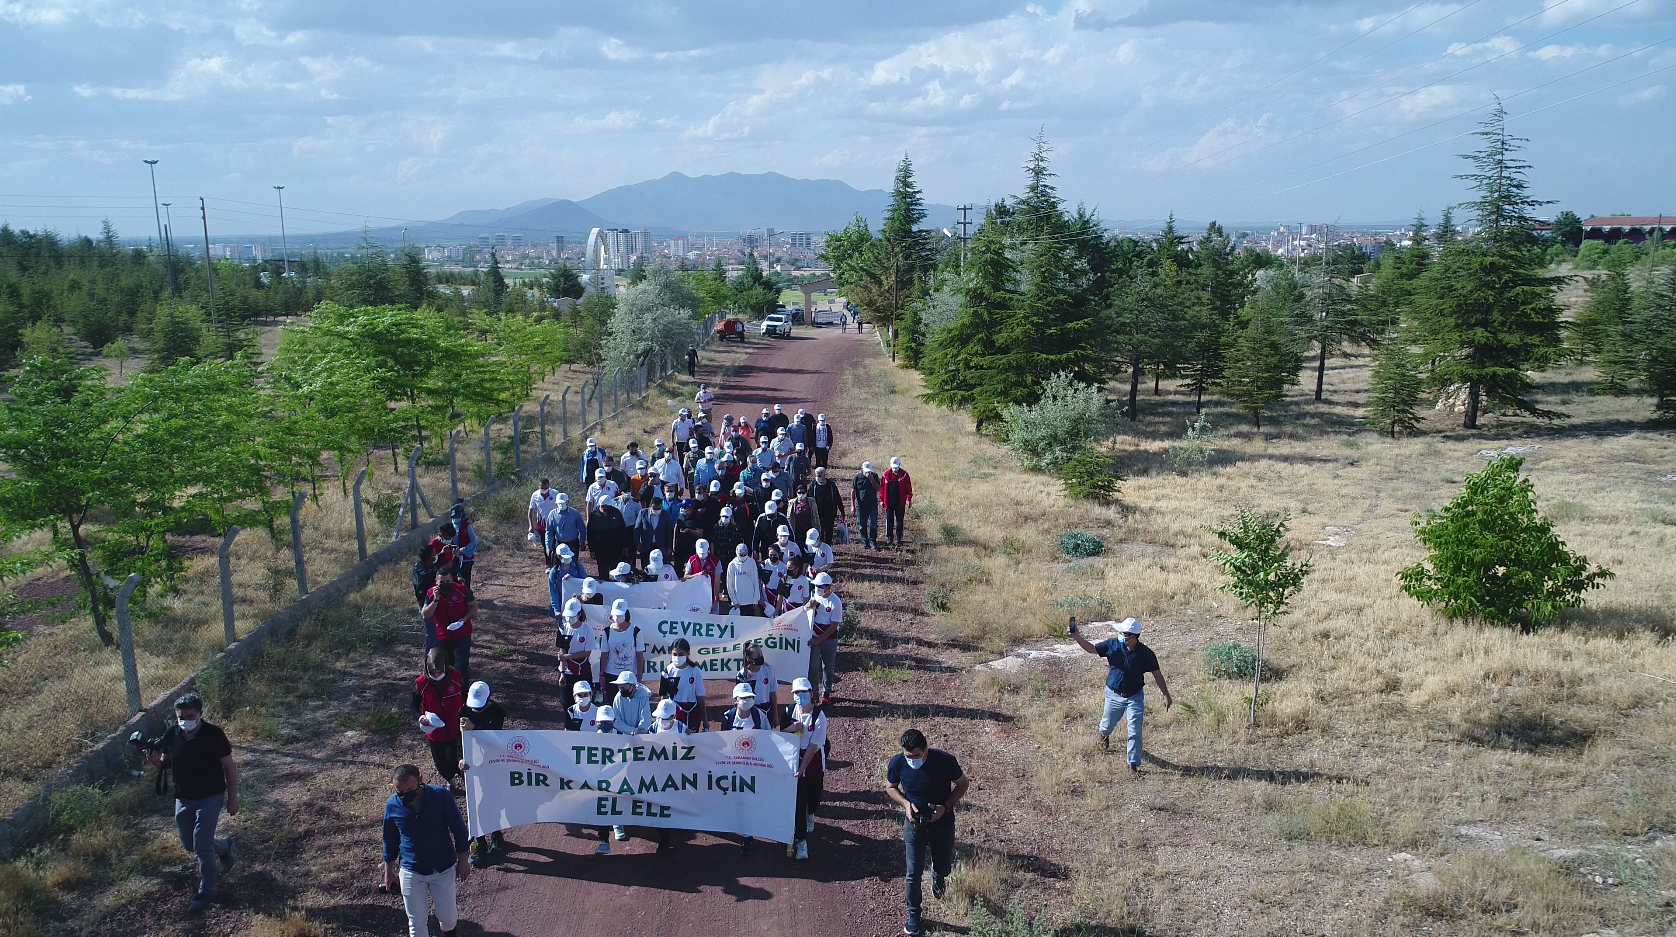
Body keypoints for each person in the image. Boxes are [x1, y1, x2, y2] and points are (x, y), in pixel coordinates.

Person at [147, 693, 237, 912]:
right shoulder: (172, 734)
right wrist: (155, 762)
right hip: (184, 797)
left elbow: (229, 767)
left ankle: (208, 890)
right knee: (190, 844)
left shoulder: (214, 734)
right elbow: (167, 763)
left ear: (200, 714)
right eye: (181, 716)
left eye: (190, 715)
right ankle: (223, 846)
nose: (185, 719)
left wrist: (233, 797)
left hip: (211, 796)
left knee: (201, 844)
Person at [886, 729, 969, 937]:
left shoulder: (945, 761)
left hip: (942, 823)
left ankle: (938, 875)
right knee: (913, 872)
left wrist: (945, 807)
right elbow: (890, 787)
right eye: (908, 756)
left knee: (944, 865)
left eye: (916, 755)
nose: (912, 760)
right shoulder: (898, 763)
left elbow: (962, 784)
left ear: (925, 749)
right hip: (914, 825)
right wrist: (905, 804)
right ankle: (914, 914)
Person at [1071, 616, 1172, 776]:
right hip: (1113, 695)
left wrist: (1166, 695)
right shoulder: (1112, 645)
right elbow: (1091, 649)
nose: (1120, 634)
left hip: (1135, 697)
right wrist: (1076, 636)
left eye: (1123, 633)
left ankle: (1132, 765)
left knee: (1135, 731)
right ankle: (1104, 735)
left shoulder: (1145, 653)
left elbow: (1157, 674)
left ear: (1132, 637)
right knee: (1107, 723)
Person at [383, 764, 470, 937]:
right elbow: (389, 839)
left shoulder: (440, 796)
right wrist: (388, 871)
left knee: (448, 919)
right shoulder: (392, 805)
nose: (405, 795)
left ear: (420, 780)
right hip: (411, 870)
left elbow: (459, 829)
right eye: (400, 791)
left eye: (410, 789)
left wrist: (464, 860)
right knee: (416, 924)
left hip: (443, 867)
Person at [456, 681, 506, 867]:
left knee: (492, 801)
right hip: (471, 767)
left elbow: (496, 739)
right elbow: (458, 738)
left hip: (492, 764)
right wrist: (459, 759)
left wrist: (474, 728)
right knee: (475, 804)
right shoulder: (463, 711)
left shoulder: (497, 712)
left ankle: (496, 835)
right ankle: (479, 843)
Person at [413, 648, 466, 790]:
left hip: (456, 730)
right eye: (433, 673)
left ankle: (468, 783)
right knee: (440, 762)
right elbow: (413, 705)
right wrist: (420, 717)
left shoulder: (457, 678)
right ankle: (450, 781)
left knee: (456, 759)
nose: (436, 675)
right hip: (435, 732)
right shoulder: (421, 684)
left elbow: (467, 699)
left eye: (439, 672)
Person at [786, 677, 827, 860]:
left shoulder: (819, 716)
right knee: (798, 803)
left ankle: (812, 813)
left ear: (811, 694)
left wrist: (803, 768)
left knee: (814, 797)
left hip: (813, 764)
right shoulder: (788, 711)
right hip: (795, 763)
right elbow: (780, 734)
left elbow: (813, 746)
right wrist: (791, 728)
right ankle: (801, 840)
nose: (799, 696)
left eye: (803, 693)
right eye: (796, 693)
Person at [421, 563, 476, 683]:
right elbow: (426, 615)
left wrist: (464, 619)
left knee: (461, 666)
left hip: (462, 633)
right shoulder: (430, 594)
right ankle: (448, 692)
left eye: (448, 581)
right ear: (436, 581)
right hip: (442, 636)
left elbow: (474, 606)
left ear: (452, 579)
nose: (446, 584)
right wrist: (435, 599)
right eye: (442, 582)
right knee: (444, 666)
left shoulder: (461, 590)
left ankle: (463, 693)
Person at [590, 705, 628, 853]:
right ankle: (604, 841)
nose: (604, 725)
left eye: (607, 722)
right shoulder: (589, 739)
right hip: (600, 779)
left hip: (618, 777)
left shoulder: (623, 737)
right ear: (596, 722)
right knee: (601, 806)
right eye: (601, 722)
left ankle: (618, 825)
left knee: (618, 801)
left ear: (613, 721)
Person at [806, 572, 842, 704]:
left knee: (828, 666)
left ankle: (827, 690)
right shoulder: (814, 597)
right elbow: (807, 613)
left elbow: (834, 626)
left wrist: (819, 640)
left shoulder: (835, 602)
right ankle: (814, 693)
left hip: (829, 639)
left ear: (828, 587)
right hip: (814, 637)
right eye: (816, 586)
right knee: (813, 666)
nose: (817, 589)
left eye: (820, 586)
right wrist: (808, 606)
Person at [661, 638, 708, 733]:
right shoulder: (667, 671)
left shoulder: (695, 671)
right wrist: (662, 716)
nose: (677, 657)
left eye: (681, 654)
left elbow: (700, 696)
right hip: (675, 711)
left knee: (692, 740)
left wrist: (705, 720)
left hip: (693, 712)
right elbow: (664, 696)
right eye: (675, 654)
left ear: (687, 653)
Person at [555, 598, 595, 703]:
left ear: (579, 614)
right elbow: (562, 652)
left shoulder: (587, 629)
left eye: (572, 616)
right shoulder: (563, 628)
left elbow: (587, 652)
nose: (569, 618)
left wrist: (568, 657)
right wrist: (562, 673)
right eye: (568, 615)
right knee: (567, 703)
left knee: (583, 702)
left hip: (583, 671)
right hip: (567, 671)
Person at [599, 600, 644, 684]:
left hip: (629, 676)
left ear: (626, 613)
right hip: (611, 674)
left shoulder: (636, 631)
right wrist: (601, 675)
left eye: (620, 614)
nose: (617, 617)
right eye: (616, 614)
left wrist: (639, 676)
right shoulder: (607, 632)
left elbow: (640, 657)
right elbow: (604, 655)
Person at [586, 496, 628, 578]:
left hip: (616, 548)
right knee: (603, 572)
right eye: (607, 506)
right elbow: (590, 534)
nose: (609, 507)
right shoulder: (594, 516)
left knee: (616, 572)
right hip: (601, 550)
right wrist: (592, 550)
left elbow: (623, 529)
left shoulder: (616, 512)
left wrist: (625, 545)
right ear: (602, 505)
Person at [738, 644, 777, 726]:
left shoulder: (769, 671)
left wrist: (775, 714)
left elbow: (773, 694)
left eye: (761, 654)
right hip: (751, 712)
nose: (760, 656)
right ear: (748, 658)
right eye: (757, 655)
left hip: (767, 711)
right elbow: (740, 699)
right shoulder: (742, 675)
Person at [880, 456, 913, 548]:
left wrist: (909, 499)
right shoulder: (885, 475)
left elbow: (908, 488)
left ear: (899, 465)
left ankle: (899, 538)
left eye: (897, 467)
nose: (895, 470)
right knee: (889, 521)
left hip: (900, 502)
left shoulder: (904, 475)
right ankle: (889, 538)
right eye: (894, 468)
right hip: (889, 502)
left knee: (899, 521)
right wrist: (882, 500)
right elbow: (882, 488)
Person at [634, 496, 674, 569]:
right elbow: (637, 529)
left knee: (662, 567)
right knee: (646, 567)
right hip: (646, 546)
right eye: (655, 508)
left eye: (659, 508)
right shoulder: (643, 513)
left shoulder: (665, 514)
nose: (657, 510)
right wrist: (638, 544)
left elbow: (669, 532)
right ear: (650, 506)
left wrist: (669, 547)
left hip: (661, 546)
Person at [547, 544, 586, 618]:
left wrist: (572, 580)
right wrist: (556, 610)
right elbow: (553, 592)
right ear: (559, 557)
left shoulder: (578, 566)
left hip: (578, 604)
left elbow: (585, 582)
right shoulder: (554, 572)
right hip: (562, 605)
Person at [544, 492, 586, 559]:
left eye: (562, 503)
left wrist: (582, 542)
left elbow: (582, 529)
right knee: (558, 565)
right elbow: (549, 531)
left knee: (573, 564)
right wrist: (548, 547)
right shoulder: (552, 514)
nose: (560, 505)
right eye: (559, 503)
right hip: (559, 543)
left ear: (567, 502)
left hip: (573, 543)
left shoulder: (575, 514)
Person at [809, 466, 844, 545]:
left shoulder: (831, 485)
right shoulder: (814, 485)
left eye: (819, 476)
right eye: (816, 476)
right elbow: (809, 498)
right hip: (817, 513)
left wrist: (842, 510)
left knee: (828, 532)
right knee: (819, 532)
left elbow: (837, 498)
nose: (817, 478)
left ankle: (828, 547)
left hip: (829, 513)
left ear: (824, 475)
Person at [725, 543, 763, 616]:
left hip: (750, 601)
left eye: (745, 555)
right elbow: (729, 585)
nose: (743, 557)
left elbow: (755, 581)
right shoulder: (732, 565)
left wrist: (755, 600)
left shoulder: (752, 562)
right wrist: (734, 601)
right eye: (741, 555)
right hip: (738, 602)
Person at [446, 503, 479, 587]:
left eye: (457, 517)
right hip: (454, 558)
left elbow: (474, 541)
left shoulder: (467, 526)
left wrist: (462, 550)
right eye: (454, 517)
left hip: (466, 558)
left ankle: (467, 597)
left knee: (465, 579)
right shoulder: (451, 526)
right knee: (454, 578)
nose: (455, 519)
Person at [684, 538, 722, 611]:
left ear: (708, 549)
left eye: (704, 553)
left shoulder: (716, 561)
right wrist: (697, 575)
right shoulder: (692, 560)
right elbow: (685, 576)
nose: (702, 555)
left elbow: (717, 583)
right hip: (695, 596)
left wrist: (716, 601)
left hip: (710, 596)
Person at [852, 461, 882, 550]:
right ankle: (865, 541)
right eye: (866, 471)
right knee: (862, 525)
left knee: (873, 523)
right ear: (861, 469)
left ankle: (873, 541)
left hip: (872, 504)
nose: (867, 473)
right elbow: (853, 491)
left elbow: (879, 489)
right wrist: (852, 505)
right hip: (861, 505)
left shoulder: (875, 476)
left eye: (869, 471)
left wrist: (871, 479)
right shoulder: (857, 477)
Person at [528, 478, 559, 545]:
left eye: (545, 489)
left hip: (554, 523)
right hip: (541, 524)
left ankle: (554, 554)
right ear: (539, 486)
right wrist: (531, 525)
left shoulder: (555, 493)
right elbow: (531, 510)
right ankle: (547, 555)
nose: (544, 491)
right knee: (545, 544)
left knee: (554, 543)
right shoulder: (535, 495)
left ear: (549, 486)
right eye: (542, 488)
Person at [411, 543, 440, 610]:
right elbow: (425, 575)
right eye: (434, 554)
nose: (436, 555)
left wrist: (442, 553)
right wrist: (435, 570)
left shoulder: (428, 564)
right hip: (424, 600)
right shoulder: (418, 568)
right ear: (430, 558)